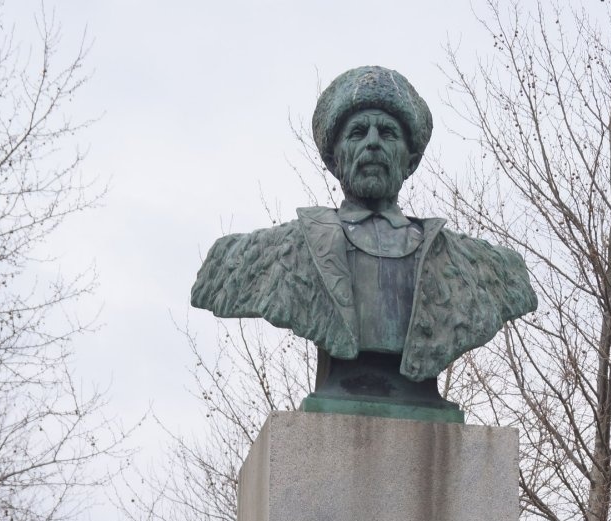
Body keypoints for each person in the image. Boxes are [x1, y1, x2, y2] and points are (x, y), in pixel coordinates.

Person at [191, 65, 536, 416]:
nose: (372, 142)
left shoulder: (484, 268)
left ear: (410, 160)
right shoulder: (274, 252)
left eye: (387, 133)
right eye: (358, 132)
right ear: (334, 158)